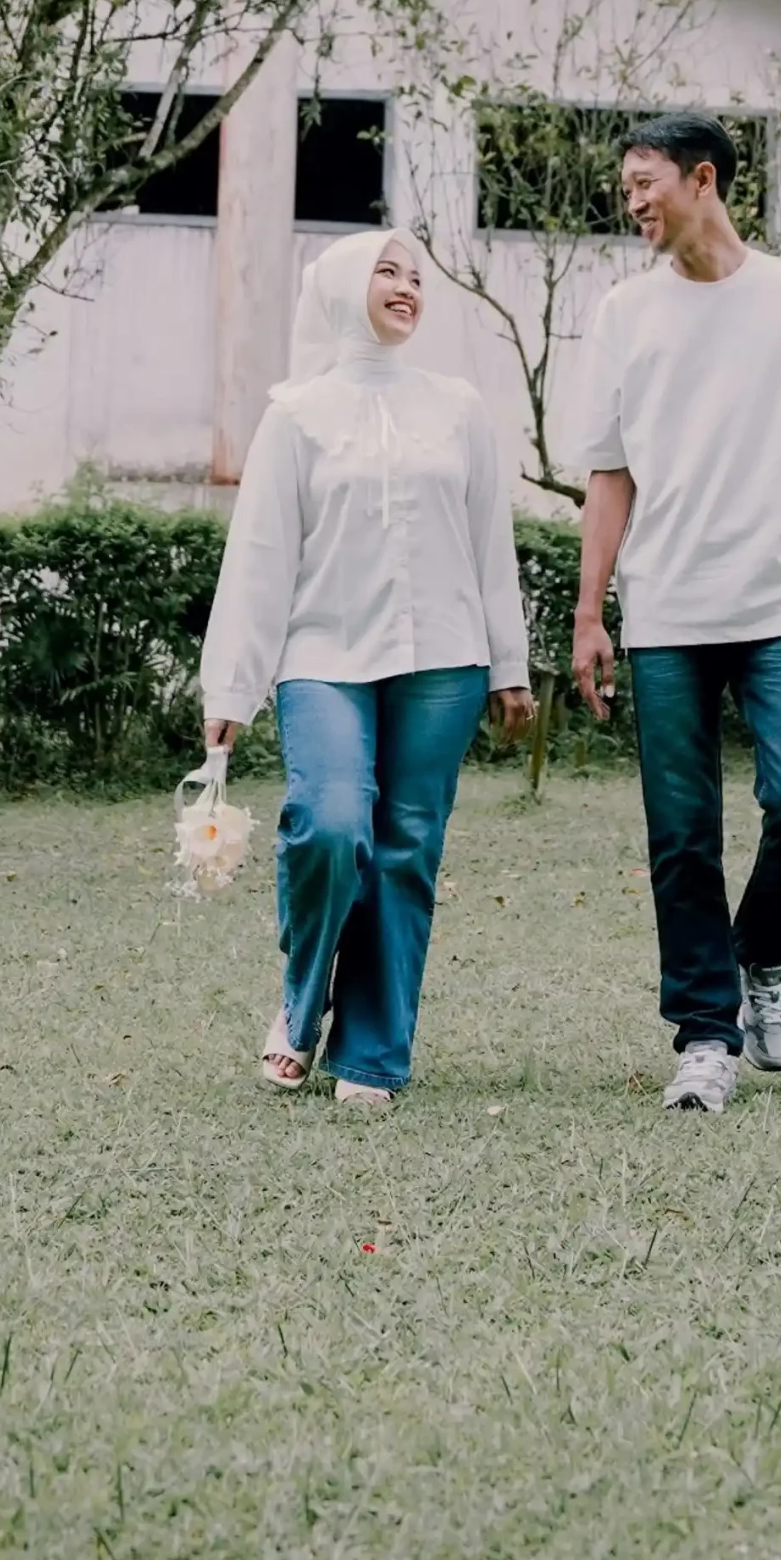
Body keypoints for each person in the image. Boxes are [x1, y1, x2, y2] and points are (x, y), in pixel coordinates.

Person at [571, 113, 781, 1113]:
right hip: (666, 613)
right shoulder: (624, 313)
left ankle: (762, 955)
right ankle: (704, 1037)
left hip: (778, 605)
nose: (632, 201)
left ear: (703, 179)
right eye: (625, 187)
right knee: (682, 837)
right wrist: (590, 614)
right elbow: (609, 474)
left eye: (645, 182)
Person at [201, 229, 533, 1108]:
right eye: (386, 271)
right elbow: (261, 556)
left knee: (404, 851)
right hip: (323, 655)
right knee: (331, 824)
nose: (405, 286)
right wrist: (232, 683)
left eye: (415, 275)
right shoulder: (296, 415)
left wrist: (508, 664)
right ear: (344, 287)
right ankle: (301, 999)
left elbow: (488, 543)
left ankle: (371, 1054)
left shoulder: (457, 408)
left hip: (444, 661)